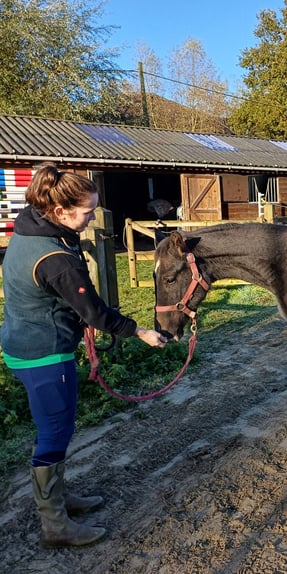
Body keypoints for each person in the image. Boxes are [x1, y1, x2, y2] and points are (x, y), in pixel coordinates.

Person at [0, 163, 167, 548]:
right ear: (59, 211)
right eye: (86, 212)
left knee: (55, 430)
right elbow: (94, 311)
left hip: (25, 342)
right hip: (43, 354)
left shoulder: (32, 226)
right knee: (54, 433)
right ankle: (54, 524)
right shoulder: (55, 257)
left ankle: (58, 498)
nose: (91, 218)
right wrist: (139, 331)